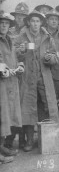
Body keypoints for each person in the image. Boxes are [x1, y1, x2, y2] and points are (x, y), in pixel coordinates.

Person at [15, 10, 59, 152]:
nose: (35, 24)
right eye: (33, 21)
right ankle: (29, 141)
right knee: (28, 108)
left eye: (38, 21)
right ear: (28, 22)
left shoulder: (48, 37)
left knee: (48, 108)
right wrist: (20, 52)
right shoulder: (21, 37)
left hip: (44, 78)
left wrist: (49, 58)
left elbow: (56, 58)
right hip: (27, 79)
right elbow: (14, 57)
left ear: (41, 23)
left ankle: (52, 139)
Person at [0, 13, 25, 163]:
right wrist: (3, 69)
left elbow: (14, 58)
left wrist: (19, 66)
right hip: (2, 83)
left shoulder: (9, 40)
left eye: (6, 23)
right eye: (1, 23)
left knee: (9, 116)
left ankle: (3, 146)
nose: (3, 26)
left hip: (11, 83)